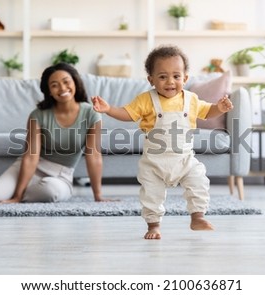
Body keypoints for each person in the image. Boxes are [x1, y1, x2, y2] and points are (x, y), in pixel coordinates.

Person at [92, 45, 234, 239]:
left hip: (185, 160)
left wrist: (220, 108)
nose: (170, 82)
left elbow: (208, 112)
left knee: (199, 181)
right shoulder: (146, 100)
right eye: (162, 76)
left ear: (185, 78)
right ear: (151, 80)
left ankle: (197, 216)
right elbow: (128, 114)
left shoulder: (191, 99)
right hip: (154, 163)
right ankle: (153, 225)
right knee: (151, 195)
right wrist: (109, 109)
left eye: (176, 76)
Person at [0, 63, 108, 203]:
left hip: (60, 176)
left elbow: (94, 156)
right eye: (54, 85)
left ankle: (14, 194)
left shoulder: (91, 113)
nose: (62, 88)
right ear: (48, 91)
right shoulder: (38, 115)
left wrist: (98, 195)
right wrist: (16, 195)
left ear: (75, 81)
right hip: (30, 167)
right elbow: (31, 157)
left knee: (50, 192)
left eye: (66, 81)